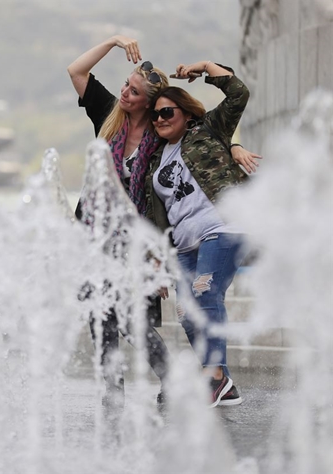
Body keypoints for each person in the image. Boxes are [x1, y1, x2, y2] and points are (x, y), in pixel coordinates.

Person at [68, 35, 173, 408]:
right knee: (100, 316)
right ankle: (111, 393)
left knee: (131, 320)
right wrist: (113, 41)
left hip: (136, 243)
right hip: (93, 238)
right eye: (126, 85)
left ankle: (172, 377)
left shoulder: (162, 136)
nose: (125, 93)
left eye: (134, 91)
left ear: (149, 102)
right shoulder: (108, 114)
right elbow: (76, 70)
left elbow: (163, 199)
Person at [145, 60, 253, 407]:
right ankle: (224, 383)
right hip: (184, 244)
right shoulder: (155, 160)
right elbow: (158, 217)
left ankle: (214, 377)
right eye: (155, 115)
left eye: (167, 112)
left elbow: (239, 94)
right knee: (187, 312)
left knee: (205, 293)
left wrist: (207, 66)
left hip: (222, 226)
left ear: (186, 113)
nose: (160, 119)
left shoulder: (207, 129)